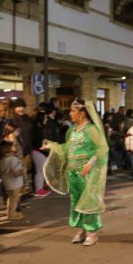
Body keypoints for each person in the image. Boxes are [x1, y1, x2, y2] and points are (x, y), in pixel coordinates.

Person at [42, 99, 108, 246]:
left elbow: (102, 148)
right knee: (76, 201)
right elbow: (67, 149)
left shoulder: (91, 129)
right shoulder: (72, 130)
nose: (70, 114)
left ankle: (92, 232)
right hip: (72, 171)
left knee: (88, 201)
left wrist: (90, 164)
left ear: (82, 113)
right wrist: (51, 146)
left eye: (73, 111)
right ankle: (81, 229)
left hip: (87, 172)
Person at [0, 140, 24, 219]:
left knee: (10, 198)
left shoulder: (2, 160)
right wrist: (22, 170)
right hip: (15, 183)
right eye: (12, 146)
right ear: (8, 149)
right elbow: (15, 172)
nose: (14, 147)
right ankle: (12, 214)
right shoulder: (12, 159)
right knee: (14, 199)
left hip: (8, 183)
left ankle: (10, 213)